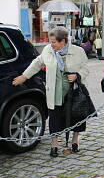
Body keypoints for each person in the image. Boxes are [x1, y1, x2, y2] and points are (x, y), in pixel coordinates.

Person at [13, 26, 89, 157]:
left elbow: (85, 68)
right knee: (54, 118)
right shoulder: (48, 50)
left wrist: (77, 75)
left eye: (54, 42)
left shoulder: (78, 51)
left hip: (73, 91)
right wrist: (24, 77)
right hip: (54, 91)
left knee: (77, 115)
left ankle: (75, 141)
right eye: (50, 41)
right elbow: (36, 64)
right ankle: (54, 145)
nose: (51, 44)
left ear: (63, 41)